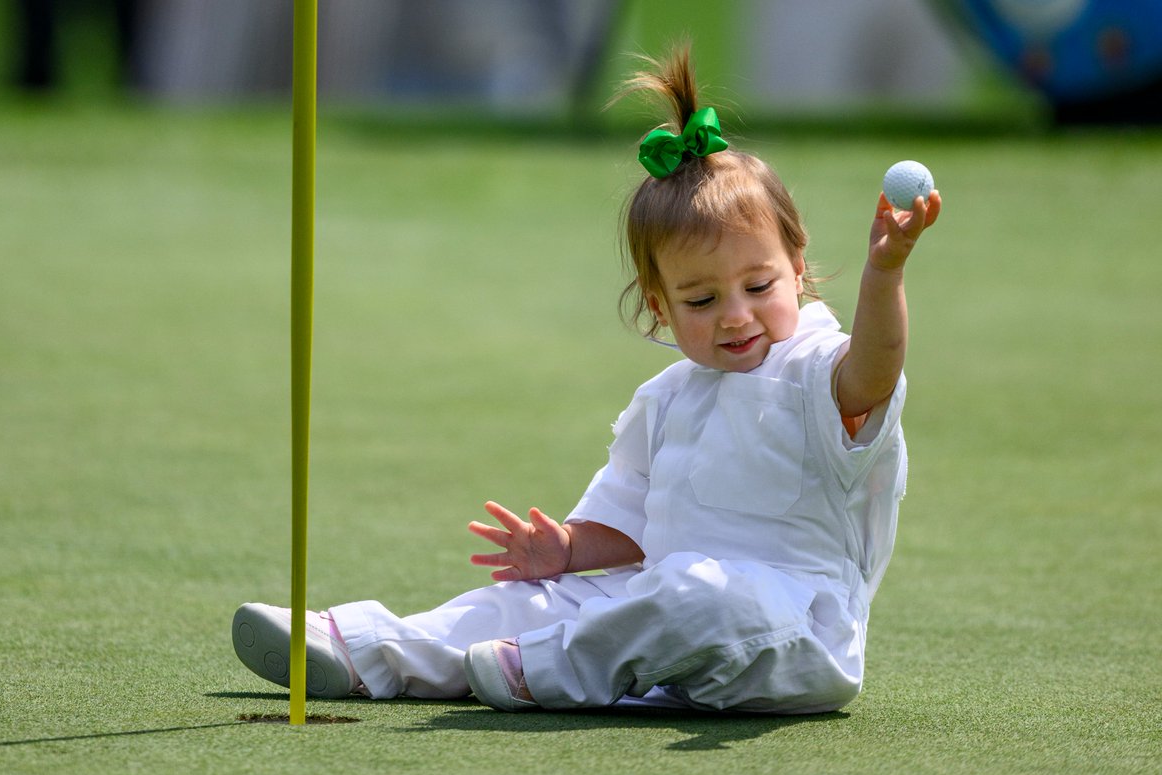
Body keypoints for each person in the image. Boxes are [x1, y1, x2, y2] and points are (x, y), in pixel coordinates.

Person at [232, 44, 942, 714]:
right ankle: (367, 652)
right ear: (660, 305)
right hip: (661, 604)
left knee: (700, 598)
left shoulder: (819, 368)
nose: (734, 315)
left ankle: (546, 669)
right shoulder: (669, 400)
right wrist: (568, 551)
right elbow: (630, 520)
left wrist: (885, 271)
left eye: (759, 285)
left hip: (792, 633)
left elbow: (876, 372)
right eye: (700, 300)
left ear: (796, 264)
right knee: (530, 601)